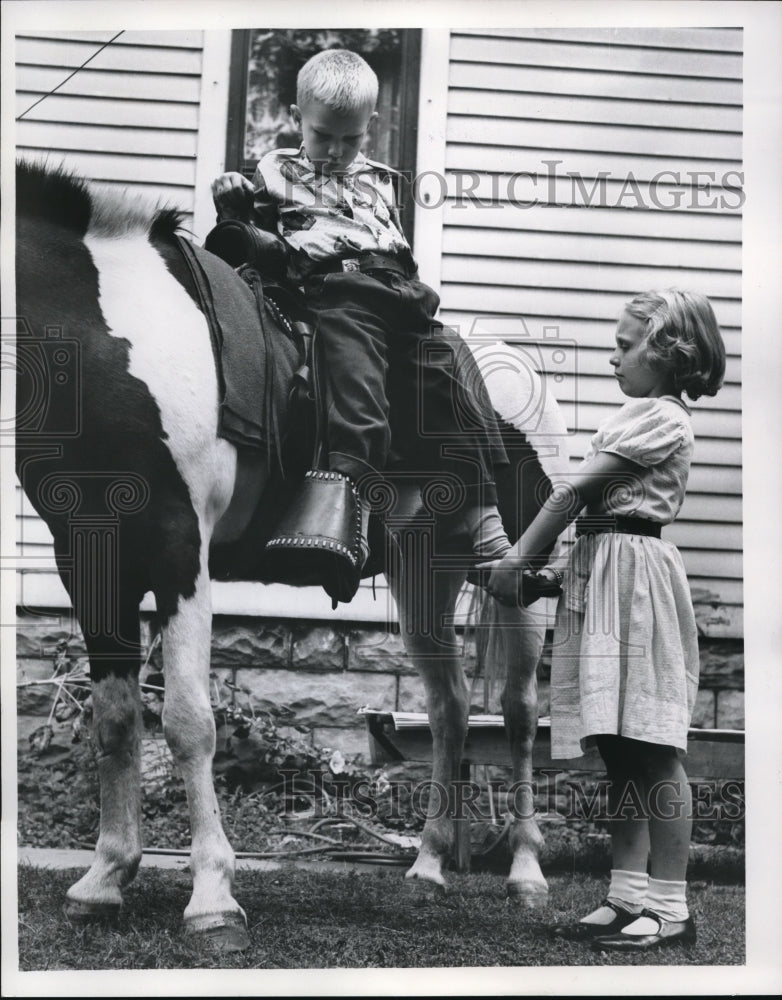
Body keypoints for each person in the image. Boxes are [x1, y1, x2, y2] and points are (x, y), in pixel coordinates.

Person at [478, 289, 726, 951]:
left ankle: (671, 909)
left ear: (669, 352)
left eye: (624, 346)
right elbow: (601, 523)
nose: (613, 357)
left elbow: (573, 494)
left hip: (638, 583)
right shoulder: (632, 416)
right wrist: (556, 577)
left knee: (651, 748)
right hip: (606, 572)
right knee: (618, 750)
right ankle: (626, 897)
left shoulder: (664, 418)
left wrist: (515, 560)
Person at [211, 48, 511, 580]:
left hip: (398, 286)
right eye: (323, 135)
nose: (335, 150)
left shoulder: (380, 178)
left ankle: (485, 518)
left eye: (351, 139)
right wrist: (231, 201)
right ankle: (349, 505)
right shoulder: (273, 171)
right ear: (294, 116)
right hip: (338, 289)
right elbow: (249, 243)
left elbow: (392, 240)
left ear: (370, 127)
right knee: (357, 382)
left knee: (451, 369)